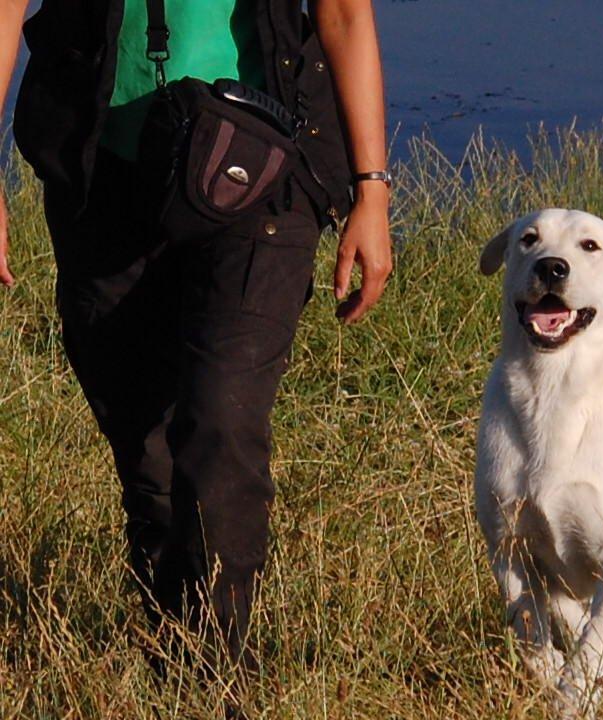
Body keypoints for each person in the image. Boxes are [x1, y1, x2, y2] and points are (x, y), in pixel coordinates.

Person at [0, 0, 392, 674]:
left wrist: (372, 193)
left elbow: (345, 14)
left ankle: (217, 678)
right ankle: (174, 660)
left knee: (221, 420)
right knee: (144, 444)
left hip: (265, 163)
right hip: (101, 172)